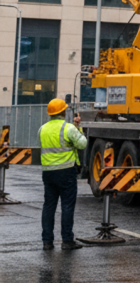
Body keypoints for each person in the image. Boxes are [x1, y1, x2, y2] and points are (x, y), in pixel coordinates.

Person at [39, 98, 87, 251]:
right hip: (66, 172)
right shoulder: (68, 128)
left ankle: (47, 242)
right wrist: (78, 128)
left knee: (49, 206)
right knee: (67, 206)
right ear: (63, 112)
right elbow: (82, 144)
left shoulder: (42, 129)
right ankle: (67, 241)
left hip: (48, 173)